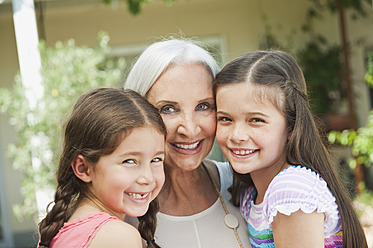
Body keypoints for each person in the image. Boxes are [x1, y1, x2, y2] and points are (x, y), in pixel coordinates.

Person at [213, 50, 368, 247]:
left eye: (256, 120)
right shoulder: (249, 194)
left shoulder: (291, 190)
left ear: (291, 126)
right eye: (225, 119)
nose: (237, 135)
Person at [124, 38, 251, 248]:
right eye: (168, 109)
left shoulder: (245, 184)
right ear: (137, 112)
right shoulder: (119, 206)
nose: (190, 130)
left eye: (203, 106)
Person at [37, 88, 167, 248]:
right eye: (129, 161)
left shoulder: (62, 229)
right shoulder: (118, 237)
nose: (148, 178)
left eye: (156, 159)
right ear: (83, 168)